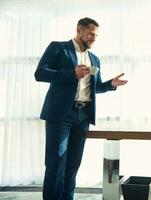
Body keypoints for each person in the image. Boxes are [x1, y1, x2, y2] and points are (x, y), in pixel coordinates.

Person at [34, 17, 127, 200]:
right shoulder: (58, 48)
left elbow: (96, 87)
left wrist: (111, 84)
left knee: (72, 167)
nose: (94, 38)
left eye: (96, 35)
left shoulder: (95, 59)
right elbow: (40, 73)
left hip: (83, 116)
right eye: (91, 34)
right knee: (56, 164)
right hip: (61, 115)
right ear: (79, 30)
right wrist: (71, 73)